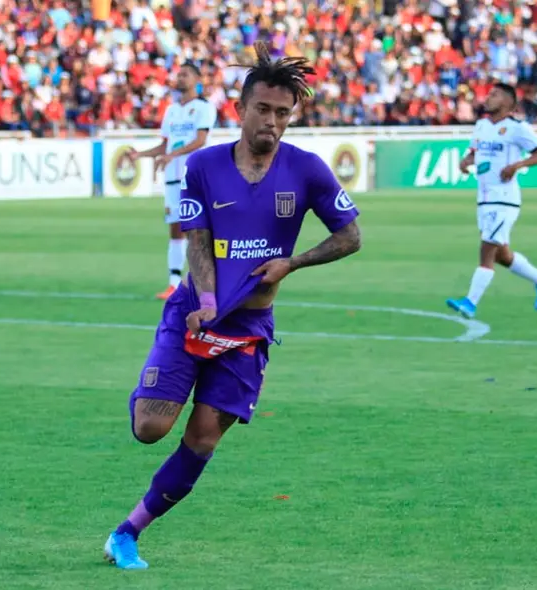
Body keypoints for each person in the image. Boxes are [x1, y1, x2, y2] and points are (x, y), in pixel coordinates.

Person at [103, 42, 362, 570]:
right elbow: (197, 240)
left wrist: (293, 262)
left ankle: (127, 533)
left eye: (282, 113)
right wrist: (203, 296)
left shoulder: (308, 170)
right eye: (262, 110)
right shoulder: (202, 166)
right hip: (193, 314)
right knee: (150, 428)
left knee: (201, 439)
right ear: (240, 109)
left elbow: (351, 235)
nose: (272, 122)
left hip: (247, 331)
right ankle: (158, 377)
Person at [446, 83, 537, 319]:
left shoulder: (518, 128)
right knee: (501, 254)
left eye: (494, 95)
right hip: (484, 198)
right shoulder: (482, 126)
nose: (488, 97)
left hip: (504, 199)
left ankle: (470, 302)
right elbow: (474, 153)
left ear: (508, 103)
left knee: (486, 249)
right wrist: (466, 162)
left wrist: (516, 165)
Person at [125, 63, 217, 300]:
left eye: (185, 74)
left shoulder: (203, 108)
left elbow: (200, 140)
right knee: (175, 230)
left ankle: (205, 282)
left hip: (193, 177)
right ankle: (174, 284)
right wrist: (141, 155)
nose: (180, 78)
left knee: (197, 231)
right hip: (172, 179)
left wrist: (172, 156)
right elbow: (165, 145)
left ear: (197, 79)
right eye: (179, 74)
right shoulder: (172, 110)